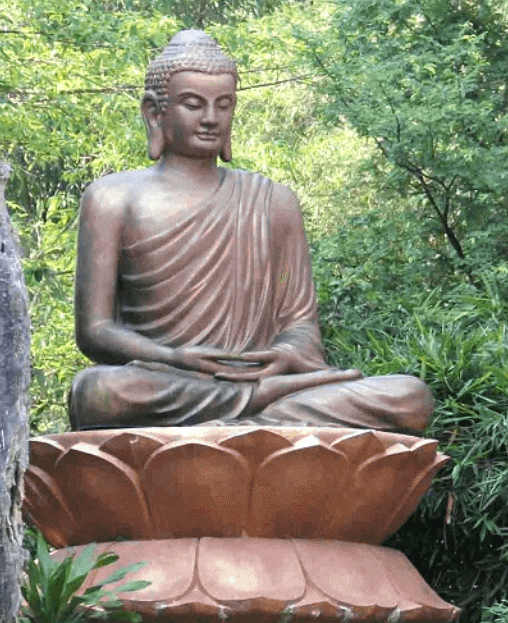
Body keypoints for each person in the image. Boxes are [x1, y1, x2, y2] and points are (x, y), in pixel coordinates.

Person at [67, 30, 433, 434]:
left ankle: (246, 414)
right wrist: (175, 358)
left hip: (261, 381)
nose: (210, 118)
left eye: (223, 106)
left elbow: (301, 326)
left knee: (409, 397)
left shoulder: (273, 200)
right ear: (155, 113)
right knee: (98, 392)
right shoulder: (111, 198)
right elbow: (95, 331)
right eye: (193, 104)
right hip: (171, 380)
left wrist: (282, 356)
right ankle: (257, 416)